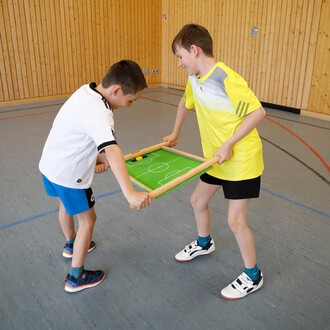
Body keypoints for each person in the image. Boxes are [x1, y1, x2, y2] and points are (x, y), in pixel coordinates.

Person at [163, 24, 266, 300]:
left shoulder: (225, 77)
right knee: (198, 201)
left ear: (194, 50)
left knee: (235, 221)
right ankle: (204, 243)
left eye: (180, 56)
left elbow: (257, 112)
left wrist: (230, 144)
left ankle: (253, 276)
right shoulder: (195, 77)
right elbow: (186, 103)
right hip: (217, 159)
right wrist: (175, 132)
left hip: (241, 158)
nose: (180, 62)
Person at [39, 60, 153, 293]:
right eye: (131, 100)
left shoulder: (85, 91)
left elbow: (82, 132)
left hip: (50, 167)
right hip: (70, 175)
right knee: (88, 221)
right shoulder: (102, 112)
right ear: (117, 90)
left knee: (66, 206)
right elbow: (113, 149)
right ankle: (76, 276)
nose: (129, 105)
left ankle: (71, 244)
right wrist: (129, 192)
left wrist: (96, 156)